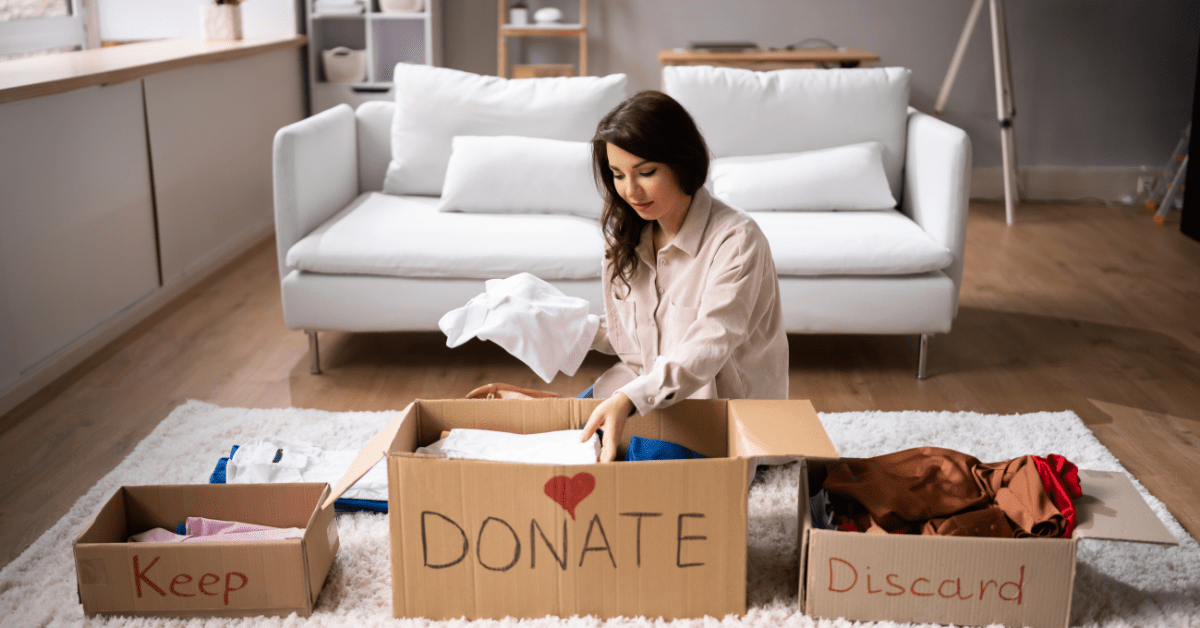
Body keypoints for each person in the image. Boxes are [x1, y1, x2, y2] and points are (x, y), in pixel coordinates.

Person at [579, 91, 789, 462]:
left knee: (630, 464)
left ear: (682, 162)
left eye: (646, 172)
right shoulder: (628, 237)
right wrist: (555, 324)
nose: (630, 191)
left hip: (719, 413)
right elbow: (632, 338)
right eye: (617, 175)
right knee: (565, 433)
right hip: (650, 390)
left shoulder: (737, 240)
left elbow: (708, 346)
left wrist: (629, 399)